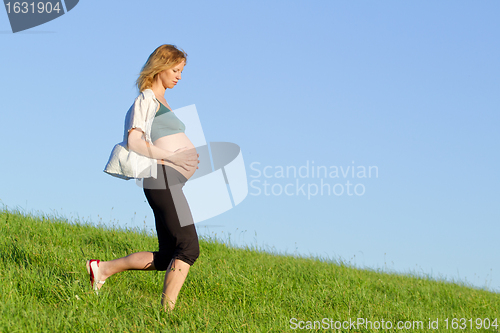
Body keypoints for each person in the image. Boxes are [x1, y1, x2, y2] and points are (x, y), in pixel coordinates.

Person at [88, 44, 200, 311]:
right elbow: (135, 141)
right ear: (160, 67)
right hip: (160, 177)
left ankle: (102, 270)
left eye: (181, 71)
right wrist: (172, 157)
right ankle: (166, 314)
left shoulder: (162, 101)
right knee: (188, 248)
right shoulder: (146, 99)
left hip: (168, 179)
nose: (179, 76)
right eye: (176, 69)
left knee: (166, 256)